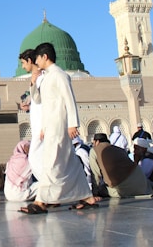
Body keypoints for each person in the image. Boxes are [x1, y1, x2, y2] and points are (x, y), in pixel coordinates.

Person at [19, 43, 98, 214]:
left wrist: (72, 124)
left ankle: (41, 201)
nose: (36, 61)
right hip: (51, 126)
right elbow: (39, 101)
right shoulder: (47, 77)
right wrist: (33, 83)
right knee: (70, 163)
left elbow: (69, 99)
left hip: (60, 126)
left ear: (45, 57)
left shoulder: (60, 75)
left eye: (38, 58)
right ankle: (88, 197)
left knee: (51, 162)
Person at [89, 133, 153, 198]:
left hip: (123, 188)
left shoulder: (94, 150)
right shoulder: (119, 149)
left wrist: (94, 194)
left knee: (103, 189)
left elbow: (95, 175)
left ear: (96, 142)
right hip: (140, 179)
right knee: (144, 181)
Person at [18, 48, 45, 182]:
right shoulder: (35, 78)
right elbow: (37, 101)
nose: (23, 67)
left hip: (42, 126)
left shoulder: (42, 77)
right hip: (38, 126)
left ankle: (49, 188)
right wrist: (29, 107)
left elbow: (46, 102)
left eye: (23, 63)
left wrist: (44, 126)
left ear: (30, 60)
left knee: (35, 158)